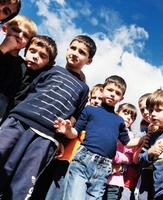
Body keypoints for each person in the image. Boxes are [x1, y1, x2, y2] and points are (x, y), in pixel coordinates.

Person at [0, 34, 95, 200]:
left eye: (81, 52)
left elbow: (75, 118)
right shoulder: (51, 70)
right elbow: (27, 91)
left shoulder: (84, 88)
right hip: (19, 121)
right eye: (73, 48)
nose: (75, 53)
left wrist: (63, 138)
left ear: (89, 61)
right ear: (67, 49)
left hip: (46, 137)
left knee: (22, 183)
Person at [55, 75, 143, 199]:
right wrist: (68, 130)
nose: (113, 94)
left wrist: (144, 138)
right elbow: (75, 132)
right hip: (83, 161)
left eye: (117, 93)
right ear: (102, 90)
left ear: (121, 98)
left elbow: (127, 142)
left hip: (104, 168)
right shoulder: (90, 110)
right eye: (110, 90)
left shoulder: (119, 121)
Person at [139, 88, 163, 200]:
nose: (152, 114)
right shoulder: (151, 135)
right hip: (157, 188)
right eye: (151, 110)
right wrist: (149, 153)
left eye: (158, 110)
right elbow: (140, 159)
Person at [0, 15, 37, 121]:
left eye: (25, 35)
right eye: (16, 30)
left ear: (28, 44)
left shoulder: (23, 67)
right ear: (5, 28)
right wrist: (4, 48)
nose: (19, 36)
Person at [104, 103, 138, 200]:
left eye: (132, 117)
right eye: (126, 113)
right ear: (117, 113)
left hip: (115, 181)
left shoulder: (130, 136)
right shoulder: (107, 128)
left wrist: (115, 155)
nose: (129, 118)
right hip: (98, 177)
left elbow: (129, 157)